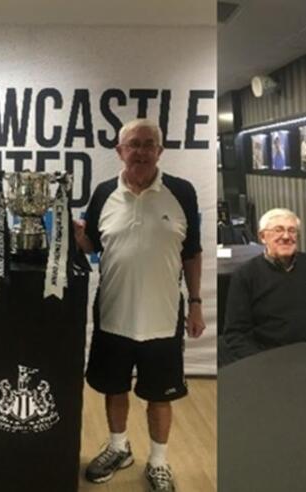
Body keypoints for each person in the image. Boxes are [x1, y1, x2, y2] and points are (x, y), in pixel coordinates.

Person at [74, 118, 204, 492]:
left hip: (163, 319)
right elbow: (94, 247)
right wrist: (81, 238)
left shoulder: (182, 191)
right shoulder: (102, 193)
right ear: (119, 151)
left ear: (160, 151)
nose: (141, 151)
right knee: (114, 388)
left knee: (158, 397)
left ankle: (159, 462)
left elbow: (192, 252)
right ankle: (119, 448)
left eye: (149, 144)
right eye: (133, 144)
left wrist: (195, 303)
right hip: (113, 314)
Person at [219, 208, 306, 366]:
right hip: (271, 360)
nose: (286, 236)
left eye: (292, 231)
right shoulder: (245, 275)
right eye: (278, 230)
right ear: (263, 236)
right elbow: (235, 334)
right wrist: (261, 362)